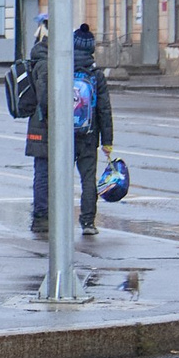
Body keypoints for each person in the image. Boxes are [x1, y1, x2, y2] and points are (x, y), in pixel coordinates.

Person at [29, 24, 114, 238]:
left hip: (63, 133)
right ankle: (87, 221)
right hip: (89, 134)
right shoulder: (96, 75)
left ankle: (59, 217)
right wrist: (107, 141)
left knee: (59, 176)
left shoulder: (61, 69)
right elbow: (104, 109)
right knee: (88, 178)